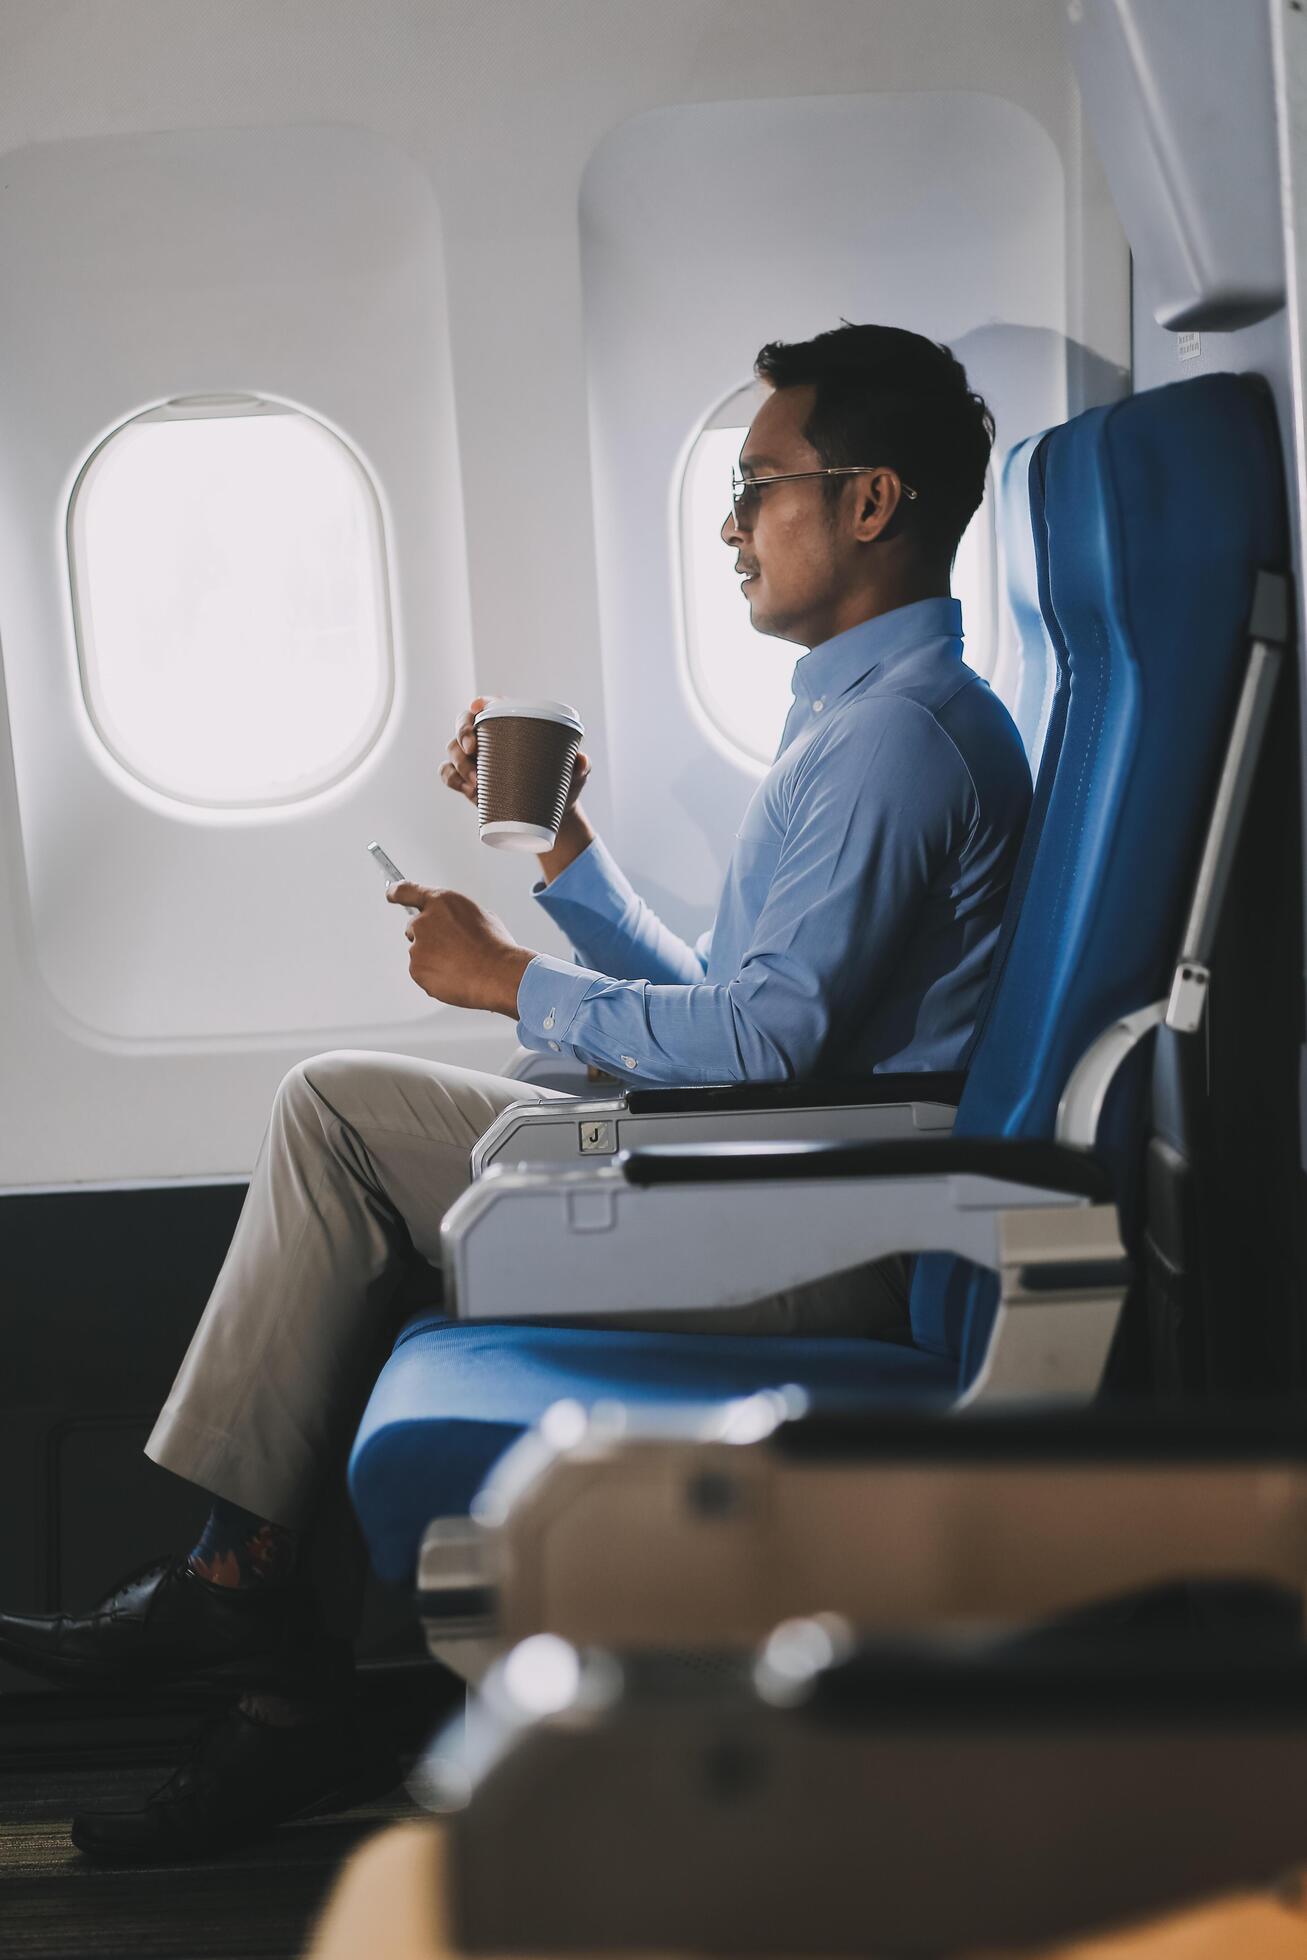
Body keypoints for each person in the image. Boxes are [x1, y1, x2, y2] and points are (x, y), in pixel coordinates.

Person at [0, 322, 1032, 1859]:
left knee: (338, 1118)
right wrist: (564, 852)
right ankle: (270, 1665)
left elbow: (764, 1052)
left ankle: (246, 1611)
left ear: (871, 502)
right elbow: (743, 1004)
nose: (733, 525)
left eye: (758, 487)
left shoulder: (892, 741)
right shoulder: (855, 713)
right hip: (776, 1176)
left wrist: (505, 982)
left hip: (812, 1232)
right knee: (358, 1150)